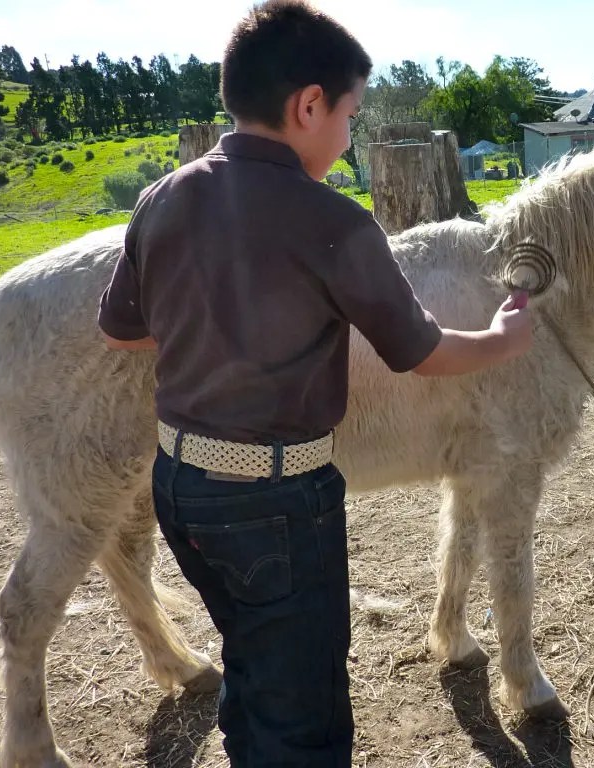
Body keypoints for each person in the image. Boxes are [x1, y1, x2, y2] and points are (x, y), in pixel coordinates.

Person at [97, 2, 532, 765]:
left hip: (180, 486)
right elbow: (421, 352)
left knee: (251, 657)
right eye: (350, 115)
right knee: (308, 720)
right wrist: (500, 339)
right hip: (277, 507)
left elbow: (121, 328)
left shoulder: (162, 197)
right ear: (308, 105)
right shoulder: (332, 219)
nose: (350, 136)